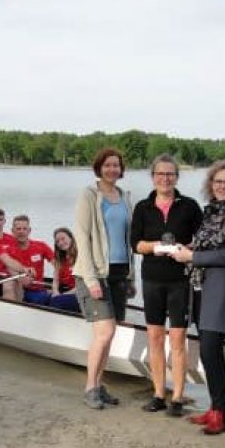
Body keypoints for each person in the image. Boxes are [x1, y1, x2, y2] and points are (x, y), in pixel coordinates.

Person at [169, 159, 225, 434]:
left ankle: (221, 414)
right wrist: (188, 248)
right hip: (201, 287)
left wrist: (192, 256)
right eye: (218, 181)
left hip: (223, 290)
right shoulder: (210, 212)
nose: (222, 186)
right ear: (210, 185)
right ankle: (215, 407)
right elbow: (206, 244)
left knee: (210, 350)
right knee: (208, 351)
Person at [131, 153, 203, 416]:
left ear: (177, 177)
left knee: (178, 339)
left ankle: (178, 397)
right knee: (155, 337)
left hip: (180, 282)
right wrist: (156, 247)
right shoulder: (142, 207)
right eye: (160, 174)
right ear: (153, 177)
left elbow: (201, 239)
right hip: (152, 280)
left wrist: (185, 248)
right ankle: (159, 393)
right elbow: (136, 244)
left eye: (170, 174)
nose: (165, 178)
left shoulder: (190, 206)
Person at [72, 147, 135, 410]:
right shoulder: (89, 196)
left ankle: (99, 384)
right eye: (107, 165)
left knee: (111, 333)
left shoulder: (125, 197)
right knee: (104, 331)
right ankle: (89, 387)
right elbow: (82, 237)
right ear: (99, 168)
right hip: (95, 272)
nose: (112, 169)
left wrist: (132, 276)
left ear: (121, 169)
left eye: (116, 165)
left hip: (120, 272)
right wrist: (91, 278)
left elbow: (128, 240)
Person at [7, 215, 54, 304]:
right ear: (13, 231)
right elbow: (9, 269)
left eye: (25, 229)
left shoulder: (41, 246)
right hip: (20, 290)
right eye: (18, 229)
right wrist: (20, 278)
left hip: (38, 290)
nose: (22, 232)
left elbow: (57, 264)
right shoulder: (8, 251)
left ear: (29, 231)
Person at [49, 227, 80, 312]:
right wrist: (55, 292)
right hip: (64, 290)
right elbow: (55, 280)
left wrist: (62, 295)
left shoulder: (81, 256)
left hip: (80, 294)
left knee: (57, 302)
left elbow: (82, 286)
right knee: (44, 299)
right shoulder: (59, 259)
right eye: (58, 241)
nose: (61, 243)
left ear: (71, 238)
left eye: (63, 239)